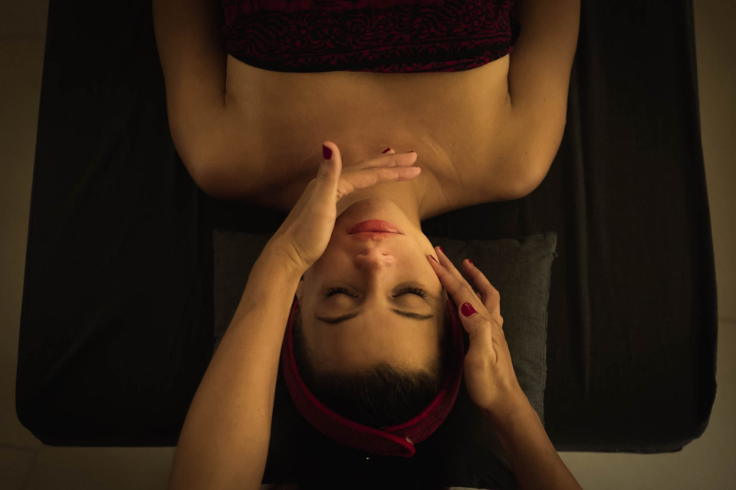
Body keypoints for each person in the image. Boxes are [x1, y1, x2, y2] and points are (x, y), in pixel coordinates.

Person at [154, 1, 582, 489]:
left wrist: (282, 260)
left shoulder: (224, 155)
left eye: (339, 296)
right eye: (409, 296)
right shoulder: (514, 154)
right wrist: (506, 401)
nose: (375, 264)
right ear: (452, 297)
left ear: (295, 296)